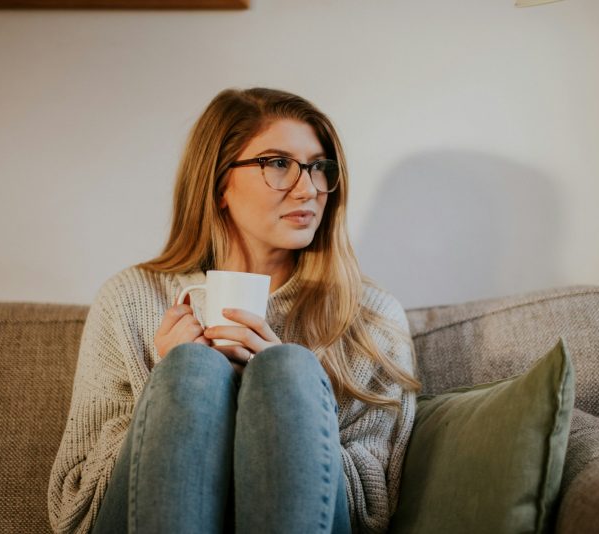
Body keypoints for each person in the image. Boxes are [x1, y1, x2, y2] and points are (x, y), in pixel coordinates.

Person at [47, 87, 421, 534]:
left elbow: (372, 512)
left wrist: (283, 403)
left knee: (286, 370)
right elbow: (75, 511)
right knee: (190, 369)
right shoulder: (130, 298)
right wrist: (171, 389)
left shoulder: (368, 315)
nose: (308, 189)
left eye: (319, 167)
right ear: (219, 183)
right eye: (278, 164)